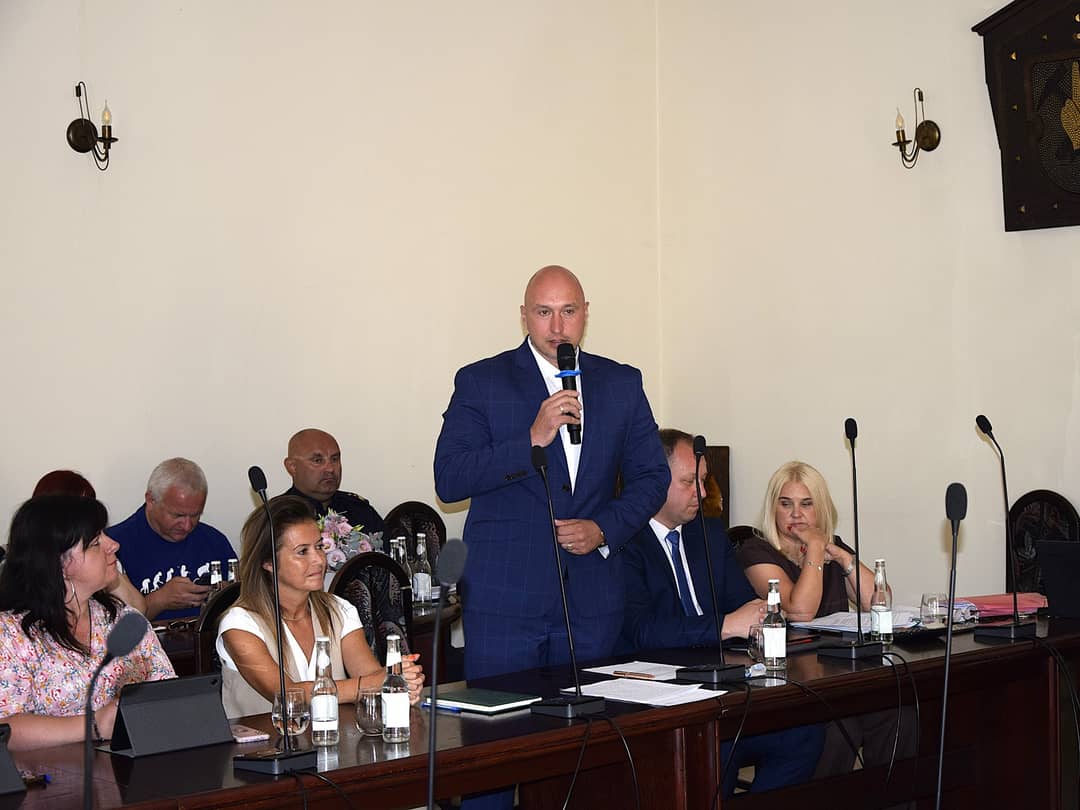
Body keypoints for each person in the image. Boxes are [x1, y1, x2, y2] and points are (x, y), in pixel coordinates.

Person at [435, 265, 669, 810]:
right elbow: (450, 477)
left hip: (589, 598)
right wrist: (531, 438)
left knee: (583, 755)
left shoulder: (620, 382)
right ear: (524, 316)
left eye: (568, 311)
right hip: (505, 601)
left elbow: (652, 477)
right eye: (544, 312)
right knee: (494, 755)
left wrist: (604, 527)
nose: (557, 326)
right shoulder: (482, 381)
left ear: (586, 315)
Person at [621, 430, 823, 797]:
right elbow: (641, 630)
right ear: (651, 479)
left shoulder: (709, 533)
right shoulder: (624, 540)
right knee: (714, 755)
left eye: (703, 480)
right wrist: (724, 626)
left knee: (806, 732)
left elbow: (744, 603)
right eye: (689, 482)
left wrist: (756, 621)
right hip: (665, 697)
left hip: (725, 689)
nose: (701, 493)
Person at [738, 461, 913, 794]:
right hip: (789, 682)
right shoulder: (755, 551)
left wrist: (843, 557)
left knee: (899, 714)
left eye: (806, 504)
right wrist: (817, 550)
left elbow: (879, 602)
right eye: (786, 504)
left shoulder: (833, 546)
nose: (796, 514)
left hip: (838, 675)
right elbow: (800, 610)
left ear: (821, 508)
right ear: (773, 508)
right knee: (837, 727)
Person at [216, 495, 424, 719]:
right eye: (302, 552)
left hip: (333, 737)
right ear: (268, 563)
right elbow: (287, 695)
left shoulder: (339, 610)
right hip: (265, 741)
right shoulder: (240, 623)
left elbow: (371, 675)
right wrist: (377, 682)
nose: (318, 560)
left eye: (319, 547)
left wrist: (400, 683)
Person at [0, 495, 174, 751]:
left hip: (130, 766)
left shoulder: (123, 619)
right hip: (47, 773)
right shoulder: (11, 634)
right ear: (58, 562)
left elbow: (168, 694)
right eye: (95, 542)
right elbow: (6, 728)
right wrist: (93, 725)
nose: (113, 545)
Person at [109, 458, 235, 621]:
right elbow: (110, 628)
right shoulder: (112, 548)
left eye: (195, 515)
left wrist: (226, 597)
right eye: (178, 515)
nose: (187, 525)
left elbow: (245, 604)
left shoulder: (214, 541)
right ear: (151, 500)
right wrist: (159, 600)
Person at [32, 470, 147, 614]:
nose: (88, 514)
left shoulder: (102, 546)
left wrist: (105, 562)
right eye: (78, 508)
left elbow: (137, 610)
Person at [283, 428, 385, 534]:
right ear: (292, 466)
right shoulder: (278, 516)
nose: (330, 469)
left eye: (335, 459)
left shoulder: (359, 510)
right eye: (318, 461)